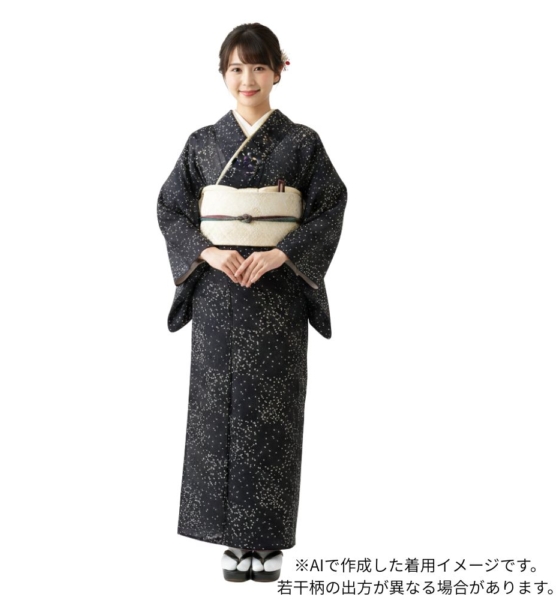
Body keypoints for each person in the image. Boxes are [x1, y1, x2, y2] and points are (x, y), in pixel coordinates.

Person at [157, 22, 347, 583]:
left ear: (279, 70)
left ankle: (267, 539)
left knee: (273, 412)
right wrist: (208, 253)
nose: (247, 79)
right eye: (236, 68)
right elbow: (170, 208)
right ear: (223, 73)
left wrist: (283, 253)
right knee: (217, 411)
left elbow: (331, 205)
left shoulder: (302, 142)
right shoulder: (201, 143)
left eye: (258, 67)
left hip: (276, 297)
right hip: (218, 296)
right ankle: (232, 539)